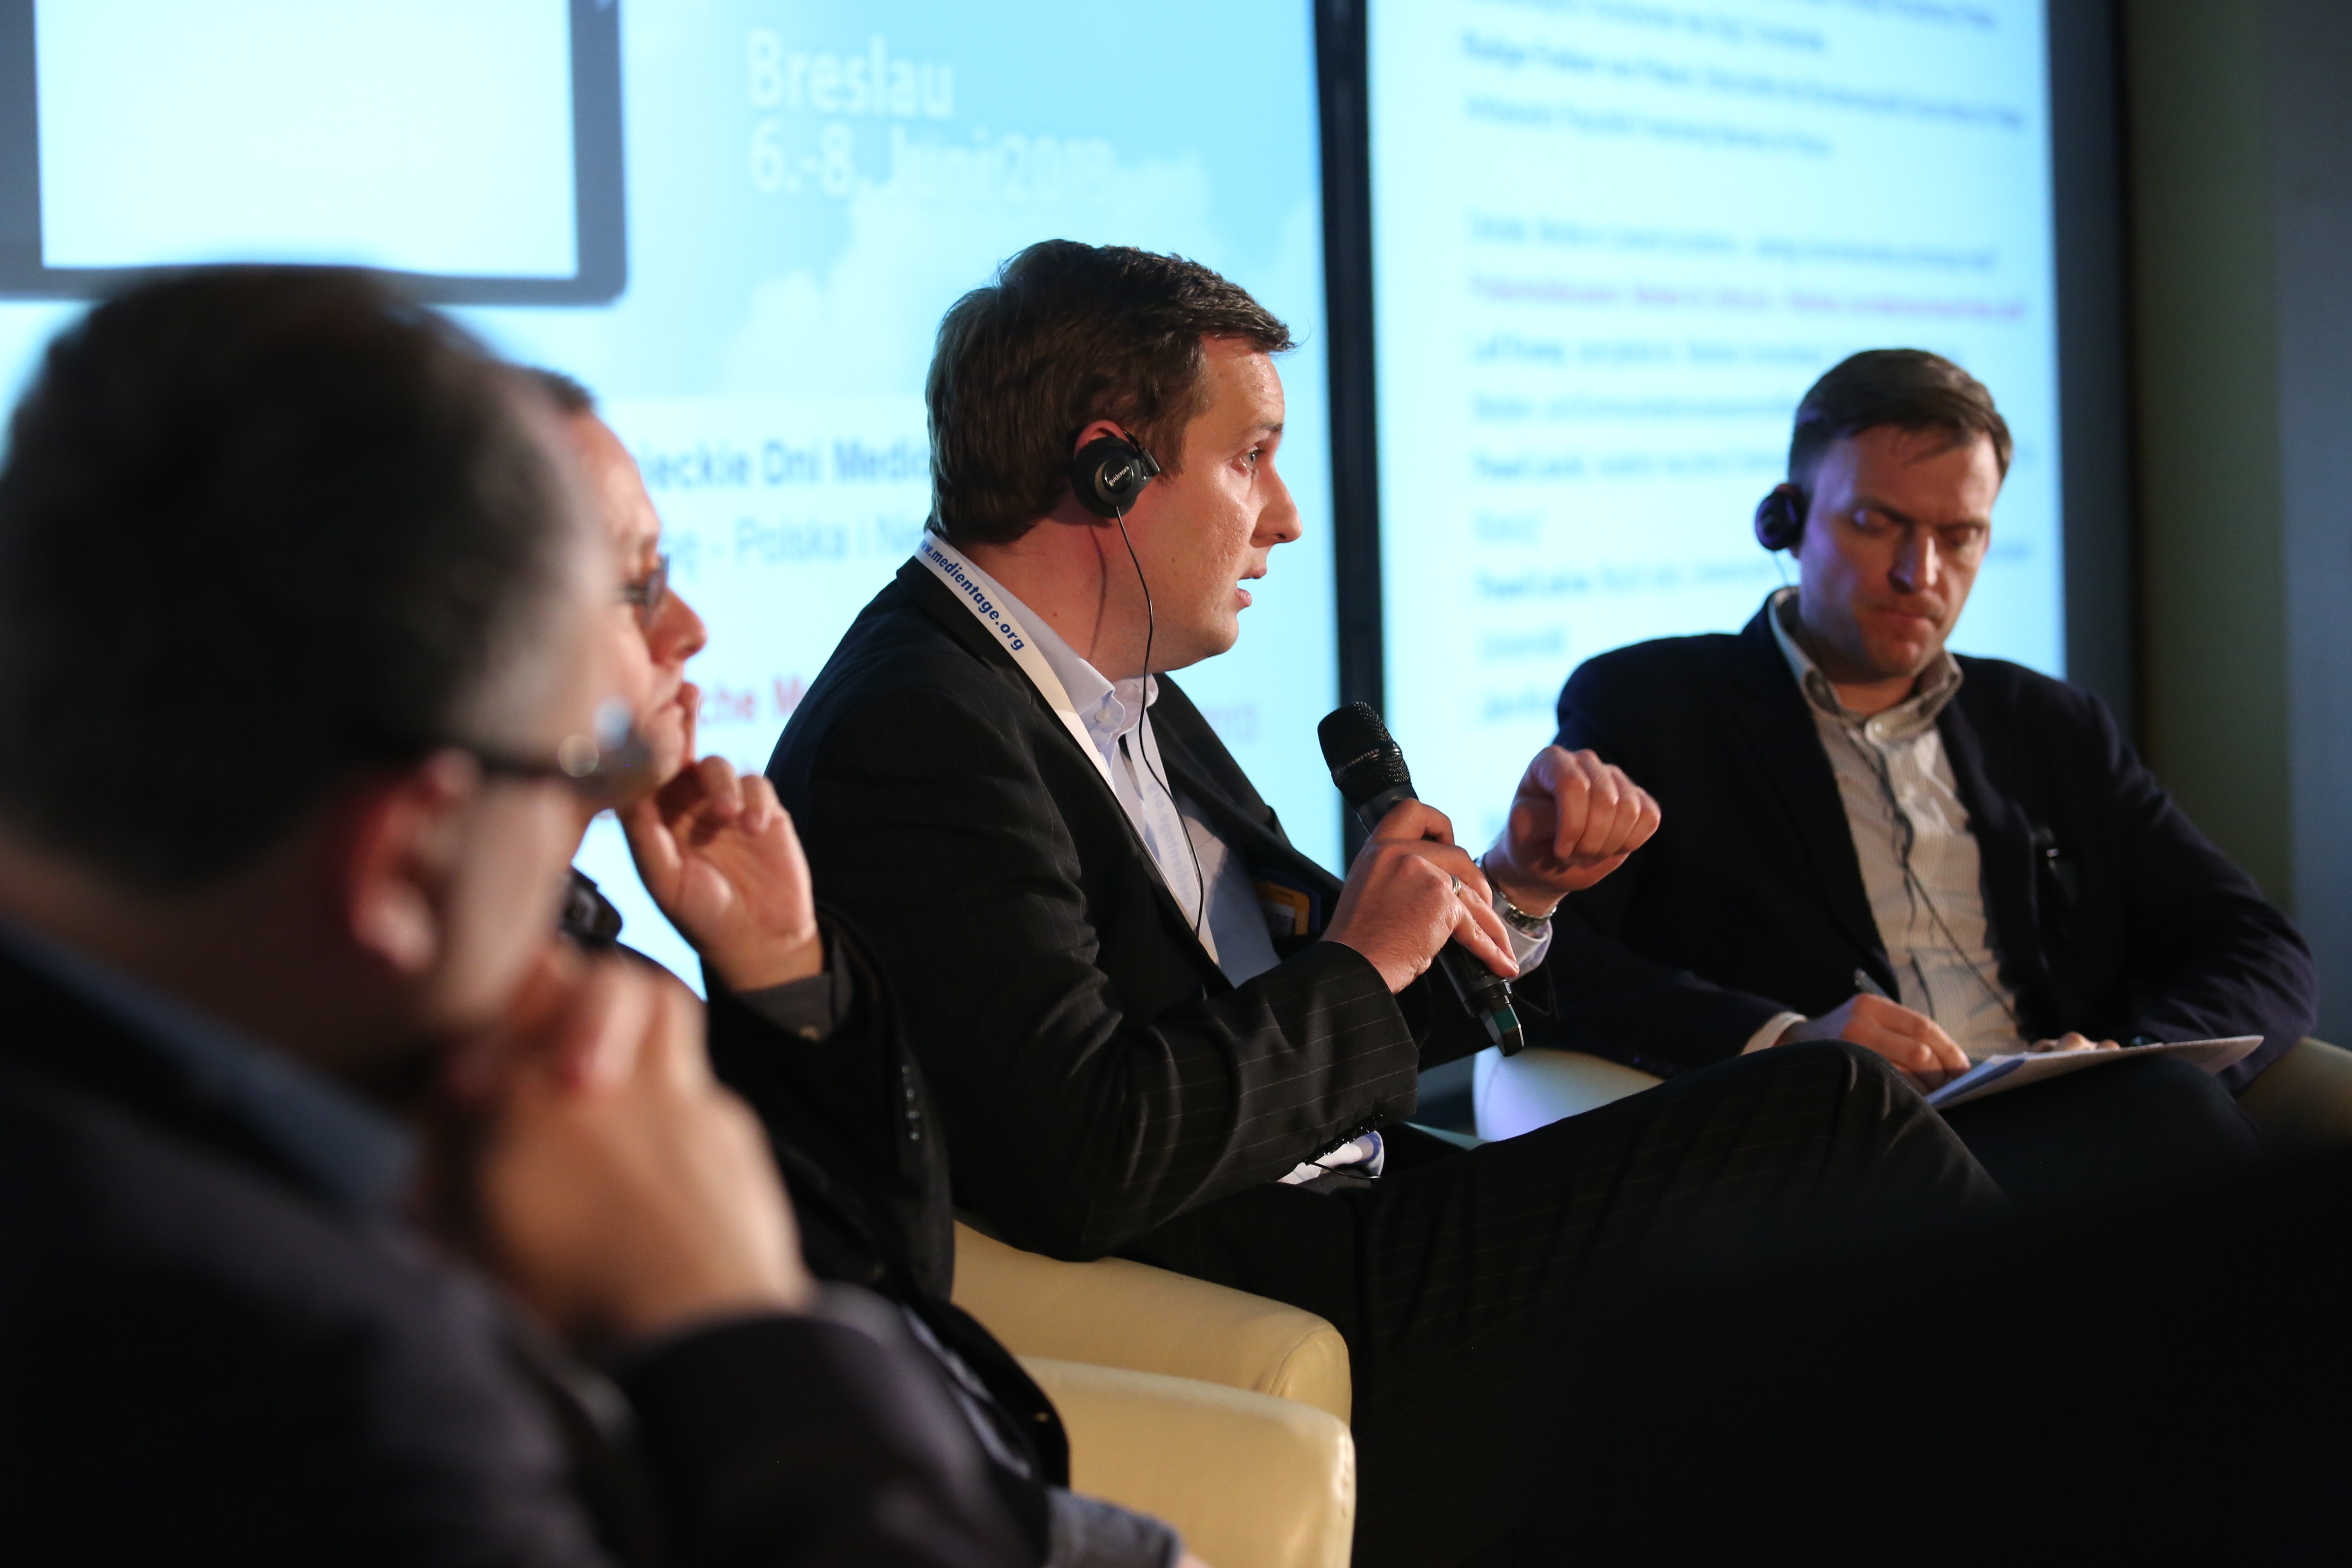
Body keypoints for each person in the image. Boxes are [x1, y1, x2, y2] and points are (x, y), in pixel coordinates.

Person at [766, 241, 2000, 1568]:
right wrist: (1361, 961)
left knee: (1825, 1338)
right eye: (1252, 459)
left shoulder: (1120, 693)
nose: (1287, 517)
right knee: (1832, 1115)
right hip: (1287, 1285)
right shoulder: (922, 728)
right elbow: (1089, 1154)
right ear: (1109, 469)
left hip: (1368, 1211)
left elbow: (1299, 1022)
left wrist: (1512, 896)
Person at [0, 267, 1034, 1566]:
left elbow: (892, 1262)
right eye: (581, 770)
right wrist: (726, 1332)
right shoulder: (339, 1403)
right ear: (401, 862)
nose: (684, 643)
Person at [531, 368, 1196, 1568]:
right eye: (637, 588)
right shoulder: (486, 1045)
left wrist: (782, 969)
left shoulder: (586, 952)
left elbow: (891, 1266)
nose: (689, 631)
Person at [1544, 348, 2313, 1207]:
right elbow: (1547, 956)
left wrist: (2127, 1058)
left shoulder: (2050, 723)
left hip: (2077, 1124)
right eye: (1879, 523)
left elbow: (2257, 946)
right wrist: (1790, 1040)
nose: (1922, 575)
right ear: (1786, 520)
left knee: (2173, 1116)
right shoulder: (1651, 704)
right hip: (1842, 1152)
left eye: (1960, 536)